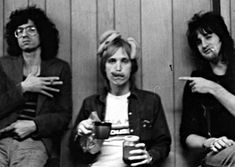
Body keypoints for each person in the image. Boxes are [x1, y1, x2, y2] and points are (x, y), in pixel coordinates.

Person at [70, 30, 171, 167]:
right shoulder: (91, 104)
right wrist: (80, 133)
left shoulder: (150, 101)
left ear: (132, 66)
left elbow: (163, 143)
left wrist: (150, 156)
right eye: (112, 61)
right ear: (104, 67)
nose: (118, 68)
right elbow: (75, 152)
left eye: (124, 61)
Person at [0, 6, 72, 167]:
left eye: (31, 29)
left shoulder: (59, 68)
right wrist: (23, 88)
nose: (24, 34)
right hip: (2, 139)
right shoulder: (3, 65)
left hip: (35, 141)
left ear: (42, 32)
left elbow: (64, 116)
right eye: (19, 31)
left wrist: (35, 125)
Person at [179, 11, 235, 167]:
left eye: (208, 37)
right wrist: (209, 142)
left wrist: (213, 88)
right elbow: (187, 136)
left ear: (221, 37)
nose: (203, 45)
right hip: (216, 154)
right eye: (198, 41)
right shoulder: (196, 81)